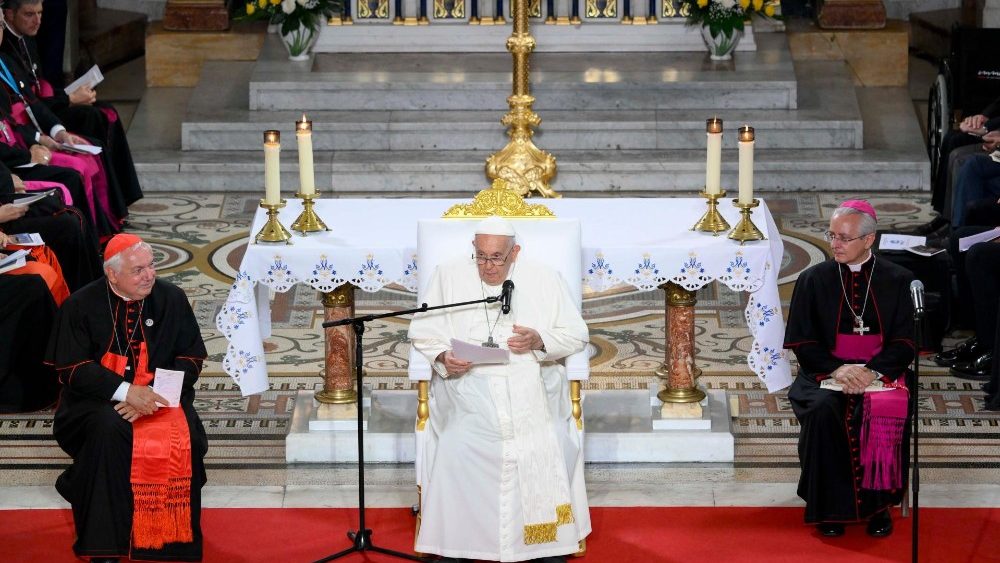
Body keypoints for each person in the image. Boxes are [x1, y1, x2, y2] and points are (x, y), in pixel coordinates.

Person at [407, 216, 591, 563]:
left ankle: (545, 544)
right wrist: (443, 356)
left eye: (497, 258)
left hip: (533, 381)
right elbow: (422, 329)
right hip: (467, 385)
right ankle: (455, 544)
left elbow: (576, 334)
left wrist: (540, 340)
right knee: (456, 443)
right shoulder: (448, 276)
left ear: (514, 252)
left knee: (544, 437)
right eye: (480, 256)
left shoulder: (544, 277)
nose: (488, 266)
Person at [47, 233, 208, 562]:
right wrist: (127, 393)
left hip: (163, 397)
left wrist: (155, 397)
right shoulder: (80, 305)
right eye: (137, 270)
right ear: (112, 274)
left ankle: (167, 543)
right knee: (108, 429)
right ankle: (105, 545)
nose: (149, 275)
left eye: (151, 266)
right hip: (97, 402)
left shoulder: (171, 299)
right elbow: (72, 368)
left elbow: (191, 358)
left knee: (182, 434)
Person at [784, 200, 916, 539]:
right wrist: (838, 370)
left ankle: (879, 506)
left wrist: (871, 372)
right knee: (825, 410)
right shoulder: (813, 279)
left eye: (844, 238)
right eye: (832, 235)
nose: (835, 244)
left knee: (879, 410)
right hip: (825, 373)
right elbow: (802, 340)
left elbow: (906, 341)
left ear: (869, 240)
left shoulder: (898, 279)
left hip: (882, 373)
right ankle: (829, 507)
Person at [1, 0, 144, 210]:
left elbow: (32, 96)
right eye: (29, 14)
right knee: (93, 122)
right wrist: (67, 101)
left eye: (40, 13)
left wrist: (57, 132)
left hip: (34, 122)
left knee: (104, 117)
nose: (38, 21)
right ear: (10, 15)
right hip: (21, 136)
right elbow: (23, 108)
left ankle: (120, 204)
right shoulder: (8, 50)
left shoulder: (23, 43)